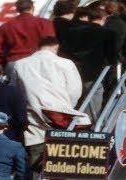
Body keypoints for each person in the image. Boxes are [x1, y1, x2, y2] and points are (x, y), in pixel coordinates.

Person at [13, 36, 90, 177]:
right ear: (56, 47)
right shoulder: (66, 63)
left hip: (33, 118)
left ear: (39, 46)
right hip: (62, 118)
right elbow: (75, 91)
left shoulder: (19, 64)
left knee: (36, 160)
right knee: (62, 163)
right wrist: (66, 107)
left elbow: (15, 91)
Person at [0, 0, 55, 80]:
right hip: (39, 63)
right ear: (32, 8)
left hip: (15, 62)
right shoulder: (45, 23)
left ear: (17, 10)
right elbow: (51, 44)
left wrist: (4, 61)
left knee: (15, 90)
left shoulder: (6, 25)